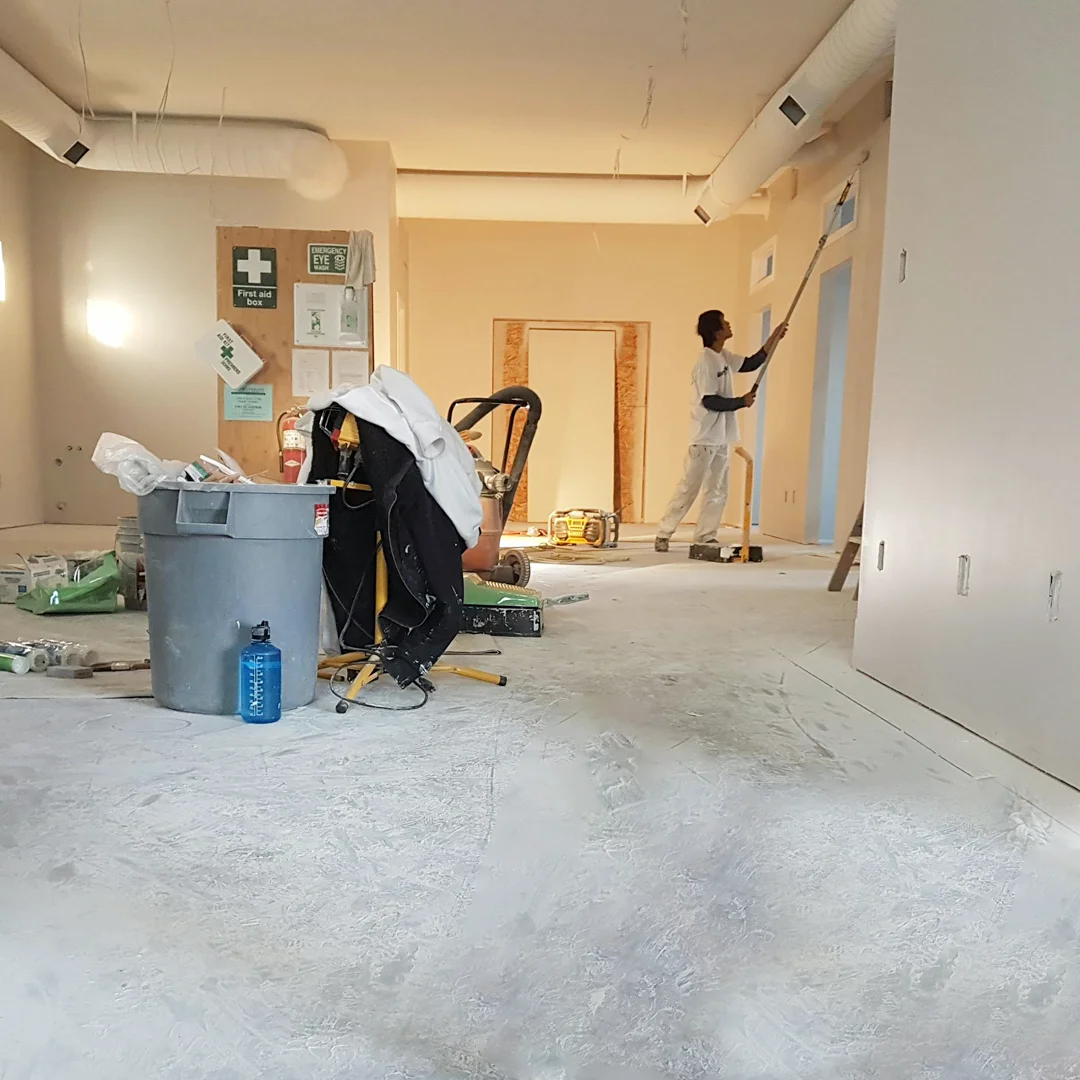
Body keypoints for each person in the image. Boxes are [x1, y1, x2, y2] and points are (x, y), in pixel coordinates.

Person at [654, 309, 788, 553]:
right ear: (716, 332)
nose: (729, 325)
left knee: (717, 491)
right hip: (704, 438)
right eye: (724, 323)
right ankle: (664, 533)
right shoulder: (705, 362)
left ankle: (705, 536)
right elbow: (709, 401)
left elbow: (751, 363)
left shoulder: (722, 356)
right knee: (689, 488)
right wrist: (741, 401)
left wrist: (773, 338)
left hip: (721, 438)